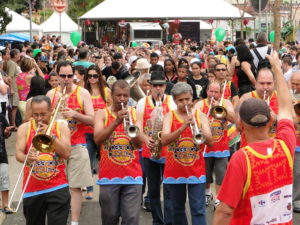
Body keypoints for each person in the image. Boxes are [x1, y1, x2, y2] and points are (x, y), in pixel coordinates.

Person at [213, 51, 295, 225]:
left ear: (241, 125)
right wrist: (277, 68)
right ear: (270, 121)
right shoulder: (286, 145)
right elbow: (287, 107)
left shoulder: (241, 158)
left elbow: (225, 210)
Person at [47, 61, 94, 225]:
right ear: (56, 75)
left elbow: (92, 120)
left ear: (73, 75)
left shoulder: (83, 93)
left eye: (69, 76)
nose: (66, 79)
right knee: (56, 187)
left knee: (75, 187)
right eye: (63, 76)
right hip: (55, 146)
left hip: (77, 144)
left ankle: (74, 222)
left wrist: (75, 114)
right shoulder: (51, 94)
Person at [161, 82, 213, 225]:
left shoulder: (200, 116)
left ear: (192, 99)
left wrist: (200, 131)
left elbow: (210, 142)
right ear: (175, 101)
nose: (185, 103)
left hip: (196, 170)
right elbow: (164, 140)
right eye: (180, 100)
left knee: (198, 209)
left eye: (188, 99)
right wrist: (183, 126)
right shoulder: (169, 116)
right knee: (177, 209)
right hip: (174, 170)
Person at [94, 80, 144, 225]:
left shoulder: (136, 113)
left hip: (132, 175)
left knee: (131, 219)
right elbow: (97, 139)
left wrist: (131, 126)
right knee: (110, 218)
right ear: (111, 95)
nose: (122, 99)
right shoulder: (101, 114)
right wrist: (116, 122)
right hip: (109, 175)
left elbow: (139, 144)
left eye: (125, 96)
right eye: (118, 95)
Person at [15, 95, 71, 225]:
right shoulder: (25, 128)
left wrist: (51, 136)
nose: (39, 119)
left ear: (51, 111)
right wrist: (26, 157)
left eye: (43, 114)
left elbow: (67, 153)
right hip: (32, 189)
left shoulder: (61, 127)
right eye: (36, 115)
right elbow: (18, 154)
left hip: (58, 186)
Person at [136, 71, 177, 225]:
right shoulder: (142, 102)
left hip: (168, 151)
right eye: (155, 85)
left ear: (165, 86)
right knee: (153, 190)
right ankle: (157, 221)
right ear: (150, 86)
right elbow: (139, 126)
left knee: (168, 190)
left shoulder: (172, 101)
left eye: (161, 85)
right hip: (149, 150)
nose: (158, 88)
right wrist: (145, 138)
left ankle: (169, 222)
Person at [195, 82, 235, 208]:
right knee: (205, 172)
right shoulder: (200, 104)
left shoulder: (226, 103)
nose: (213, 94)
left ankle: (218, 197)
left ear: (220, 93)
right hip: (205, 146)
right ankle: (207, 193)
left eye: (216, 92)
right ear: (206, 91)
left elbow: (234, 119)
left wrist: (221, 108)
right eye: (211, 91)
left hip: (221, 146)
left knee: (221, 174)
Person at [83, 64, 111, 200]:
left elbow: (111, 111)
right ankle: (89, 188)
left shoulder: (106, 91)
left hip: (102, 132)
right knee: (88, 160)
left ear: (99, 77)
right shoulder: (83, 92)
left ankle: (106, 185)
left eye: (95, 75)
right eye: (90, 76)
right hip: (87, 131)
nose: (92, 78)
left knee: (105, 160)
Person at [239, 67, 278, 143]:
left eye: (269, 83)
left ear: (274, 83)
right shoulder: (245, 98)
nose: (265, 87)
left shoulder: (281, 98)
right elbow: (238, 126)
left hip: (275, 148)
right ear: (256, 83)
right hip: (251, 147)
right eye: (262, 83)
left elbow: (294, 123)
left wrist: (277, 118)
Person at [290, 70, 300, 213]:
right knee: (293, 171)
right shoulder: (287, 94)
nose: (295, 86)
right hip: (291, 139)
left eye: (298, 84)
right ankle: (292, 199)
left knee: (298, 171)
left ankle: (296, 199)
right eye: (294, 83)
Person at [6, 49, 21, 128]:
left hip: (15, 87)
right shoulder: (12, 63)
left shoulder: (12, 63)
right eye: (18, 54)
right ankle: (13, 125)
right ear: (15, 55)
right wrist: (11, 88)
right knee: (14, 106)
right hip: (13, 87)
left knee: (12, 106)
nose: (19, 55)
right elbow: (10, 76)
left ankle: (12, 124)